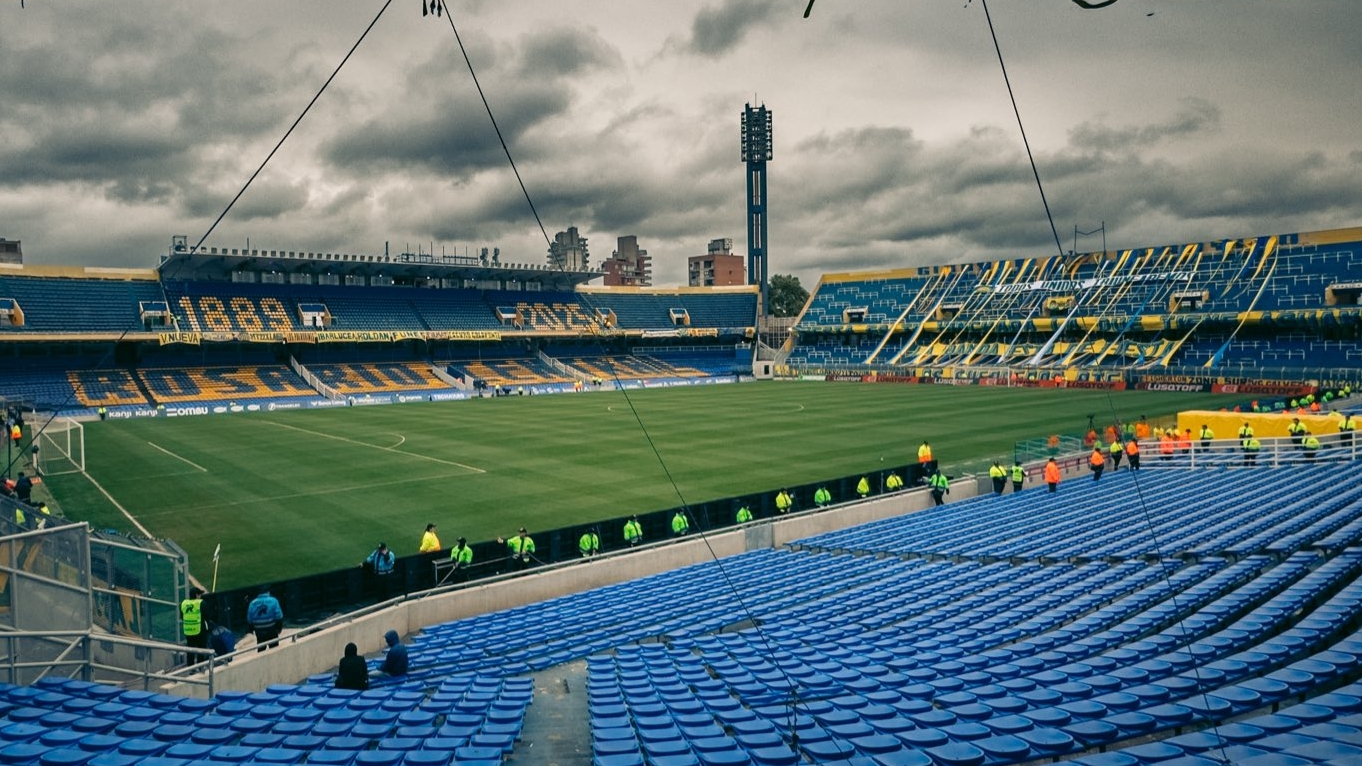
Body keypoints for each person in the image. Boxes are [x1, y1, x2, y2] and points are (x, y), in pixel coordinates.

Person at [247, 587, 284, 652]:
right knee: (274, 649)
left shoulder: (252, 603)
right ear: (268, 592)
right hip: (271, 628)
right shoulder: (273, 600)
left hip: (259, 629)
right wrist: (279, 628)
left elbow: (249, 618)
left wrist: (251, 629)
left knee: (261, 649)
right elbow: (279, 615)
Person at [181, 587, 207, 658]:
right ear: (196, 595)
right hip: (199, 630)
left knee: (190, 650)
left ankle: (191, 667)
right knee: (201, 649)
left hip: (188, 631)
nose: (200, 596)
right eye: (199, 594)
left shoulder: (184, 604)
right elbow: (207, 616)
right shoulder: (201, 603)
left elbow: (182, 616)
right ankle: (201, 667)